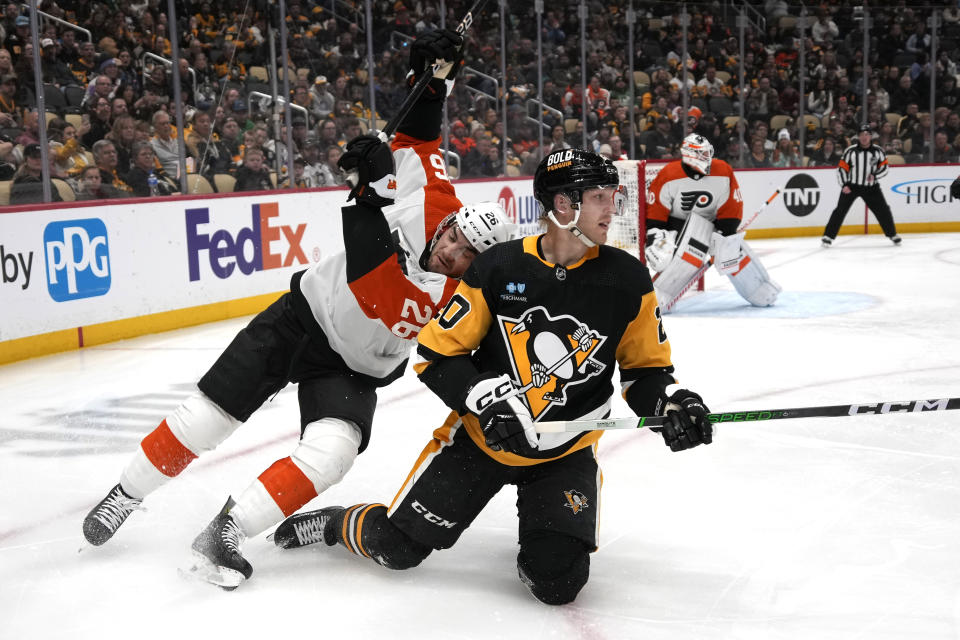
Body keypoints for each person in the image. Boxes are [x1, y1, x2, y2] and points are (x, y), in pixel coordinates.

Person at [81, 28, 514, 591]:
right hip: (299, 318)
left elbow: (368, 262)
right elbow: (418, 144)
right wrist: (433, 79)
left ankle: (226, 532)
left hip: (352, 368)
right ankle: (126, 493)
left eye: (463, 257)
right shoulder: (438, 201)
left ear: (475, 270)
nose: (449, 250)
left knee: (333, 454)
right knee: (204, 418)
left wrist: (365, 192)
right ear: (456, 218)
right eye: (454, 235)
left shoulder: (448, 297)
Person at [271, 148, 713, 605]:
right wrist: (486, 398)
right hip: (482, 442)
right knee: (396, 548)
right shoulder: (500, 267)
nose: (612, 209)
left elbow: (647, 373)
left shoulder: (628, 279)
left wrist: (672, 403)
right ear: (563, 205)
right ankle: (334, 523)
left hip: (565, 453)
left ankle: (544, 529)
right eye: (600, 197)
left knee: (557, 582)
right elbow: (436, 354)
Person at [644, 133, 780, 308]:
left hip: (716, 224)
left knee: (731, 253)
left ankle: (761, 290)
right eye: (701, 154)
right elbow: (657, 209)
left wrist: (726, 234)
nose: (706, 158)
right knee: (687, 256)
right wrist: (656, 233)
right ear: (689, 156)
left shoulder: (722, 170)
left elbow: (731, 205)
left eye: (707, 153)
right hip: (678, 225)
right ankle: (659, 296)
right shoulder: (669, 174)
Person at [821, 125, 901, 247]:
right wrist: (844, 185)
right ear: (858, 136)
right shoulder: (850, 151)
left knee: (883, 210)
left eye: (867, 134)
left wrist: (875, 175)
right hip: (852, 186)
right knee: (840, 211)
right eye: (862, 134)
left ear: (870, 136)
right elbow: (842, 169)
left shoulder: (878, 151)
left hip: (871, 188)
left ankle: (892, 234)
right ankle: (828, 236)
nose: (864, 137)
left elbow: (885, 168)